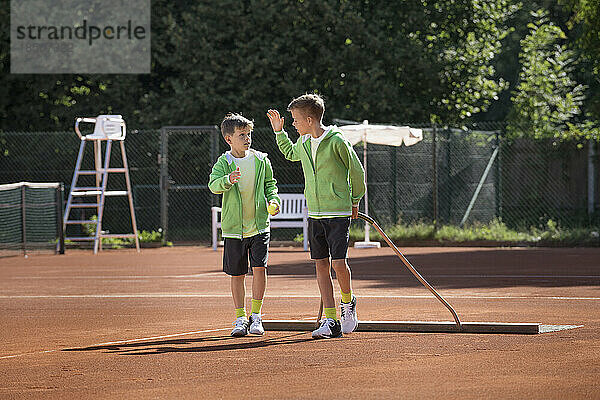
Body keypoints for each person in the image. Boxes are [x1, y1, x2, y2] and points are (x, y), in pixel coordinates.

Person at [266, 94, 365, 339]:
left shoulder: (337, 141)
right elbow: (290, 153)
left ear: (309, 119)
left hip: (338, 212)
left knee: (338, 263)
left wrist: (354, 200)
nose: (293, 124)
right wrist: (279, 133)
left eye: (295, 120)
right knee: (321, 264)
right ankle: (331, 320)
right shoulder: (303, 141)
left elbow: (357, 171)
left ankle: (348, 302)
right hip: (316, 213)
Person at [209, 113, 281, 337]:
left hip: (260, 226)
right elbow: (213, 185)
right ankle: (240, 318)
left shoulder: (261, 160)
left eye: (249, 134)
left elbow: (271, 185)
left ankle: (256, 316)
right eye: (242, 135)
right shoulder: (224, 162)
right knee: (237, 274)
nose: (247, 138)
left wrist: (273, 200)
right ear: (229, 139)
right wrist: (226, 180)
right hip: (234, 230)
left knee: (260, 268)